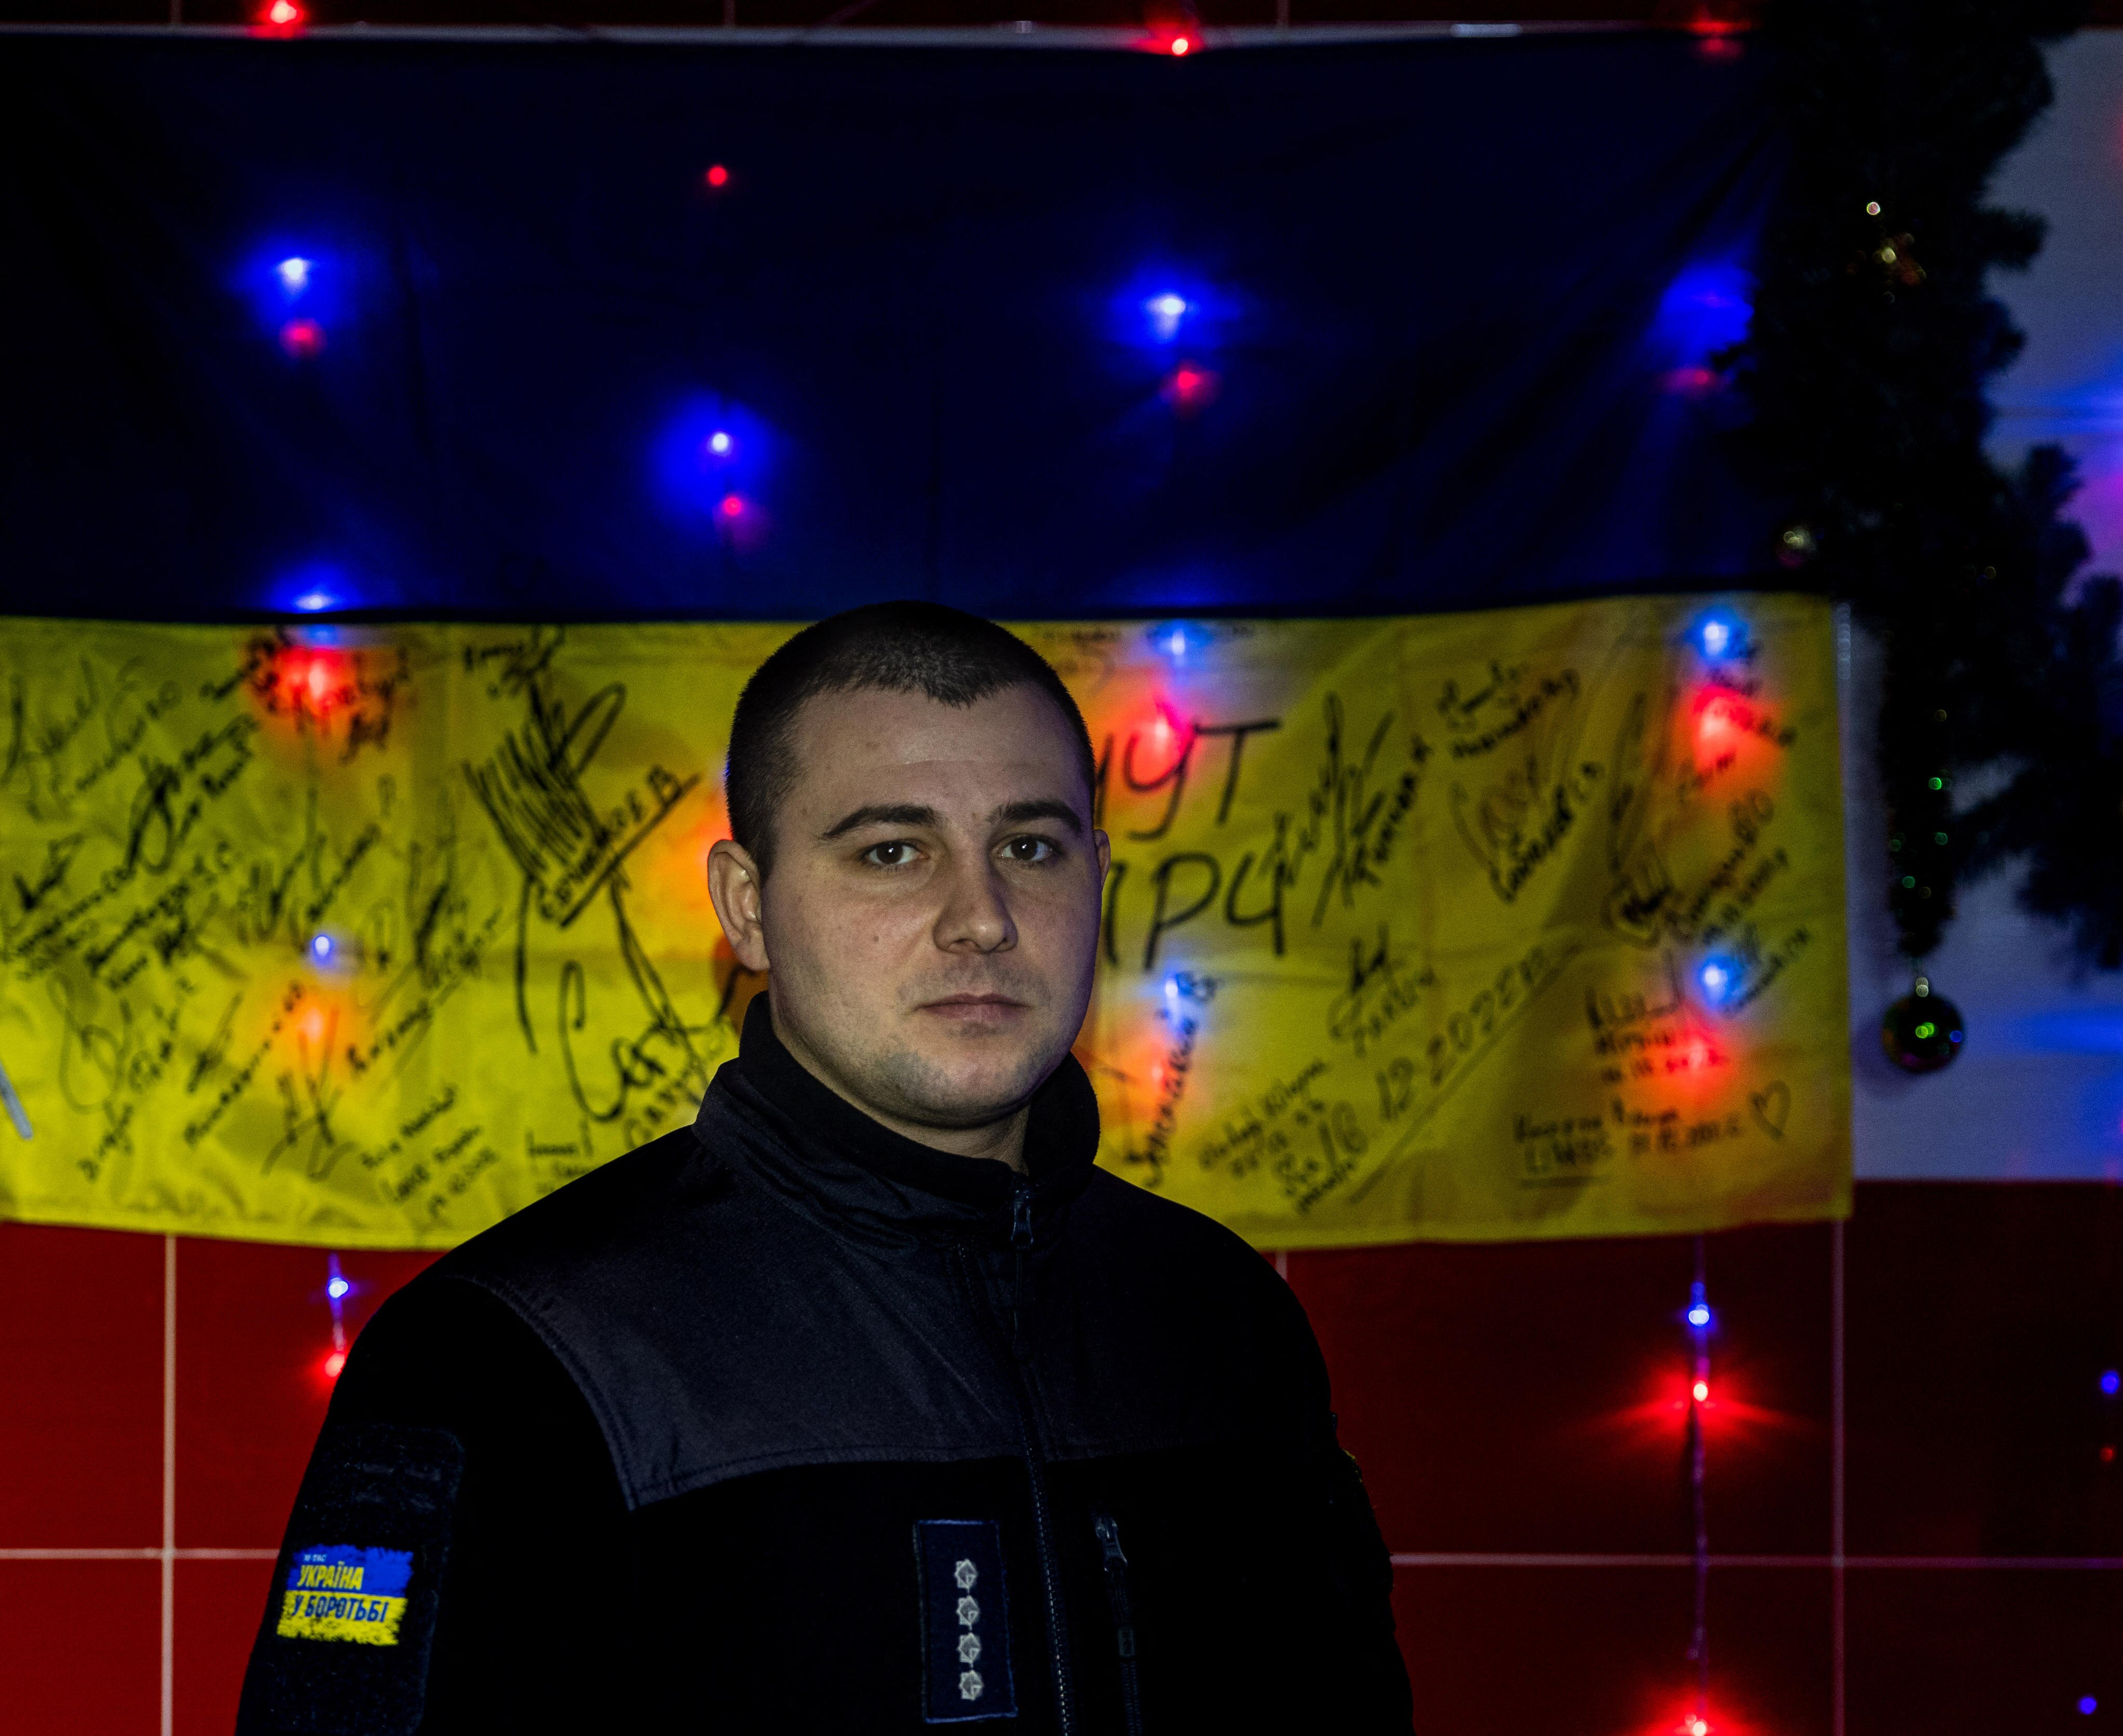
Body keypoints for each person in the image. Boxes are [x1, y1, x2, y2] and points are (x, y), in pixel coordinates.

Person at [237, 601, 1412, 1735]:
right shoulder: (504, 1360)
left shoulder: (1223, 1319)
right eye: (893, 851)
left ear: (1098, 873)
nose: (982, 917)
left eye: (1029, 846)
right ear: (747, 907)